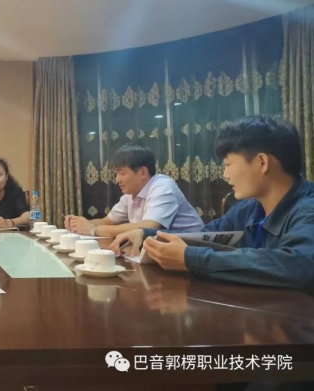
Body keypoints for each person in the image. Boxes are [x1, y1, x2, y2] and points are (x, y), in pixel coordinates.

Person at [110, 115, 314, 292]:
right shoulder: (247, 210)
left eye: (228, 164)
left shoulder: (308, 209)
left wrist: (192, 259)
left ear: (262, 162)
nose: (225, 175)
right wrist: (146, 235)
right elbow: (202, 237)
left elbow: (299, 266)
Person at [64, 143, 203, 237]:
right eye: (116, 174)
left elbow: (147, 228)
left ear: (142, 172)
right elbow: (107, 221)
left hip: (194, 252)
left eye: (122, 173)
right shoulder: (130, 194)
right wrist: (80, 223)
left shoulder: (163, 188)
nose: (117, 180)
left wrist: (93, 229)